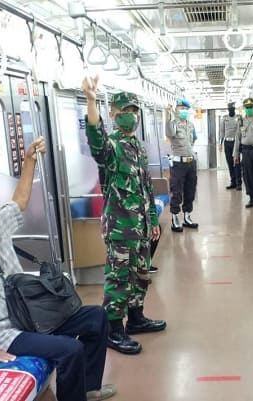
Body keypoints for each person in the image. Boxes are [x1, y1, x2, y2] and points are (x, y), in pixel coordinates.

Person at [0, 137, 116, 401]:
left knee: (96, 317)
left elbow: (19, 201)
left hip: (31, 316)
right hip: (2, 332)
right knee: (70, 349)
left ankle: (87, 388)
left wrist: (29, 161)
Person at [83, 76, 166, 355]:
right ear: (113, 115)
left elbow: (145, 187)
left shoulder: (138, 147)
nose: (130, 116)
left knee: (141, 274)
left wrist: (153, 220)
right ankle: (114, 329)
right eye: (123, 112)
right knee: (119, 278)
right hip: (120, 227)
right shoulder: (112, 147)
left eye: (133, 111)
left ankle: (137, 318)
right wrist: (91, 101)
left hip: (141, 225)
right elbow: (96, 141)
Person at [166, 98, 199, 232]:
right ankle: (175, 219)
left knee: (190, 191)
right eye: (181, 108)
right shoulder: (173, 124)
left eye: (185, 109)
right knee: (177, 192)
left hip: (191, 162)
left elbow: (194, 139)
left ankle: (187, 216)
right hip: (178, 163)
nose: (183, 111)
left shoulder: (191, 125)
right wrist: (167, 115)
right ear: (176, 110)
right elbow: (169, 133)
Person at [219, 101, 242, 190]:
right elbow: (222, 131)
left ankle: (238, 183)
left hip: (236, 143)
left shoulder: (239, 118)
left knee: (236, 162)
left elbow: (241, 130)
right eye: (229, 109)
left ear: (234, 109)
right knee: (230, 163)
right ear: (228, 109)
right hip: (227, 143)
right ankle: (233, 182)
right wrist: (220, 143)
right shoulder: (224, 118)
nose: (231, 110)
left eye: (232, 108)